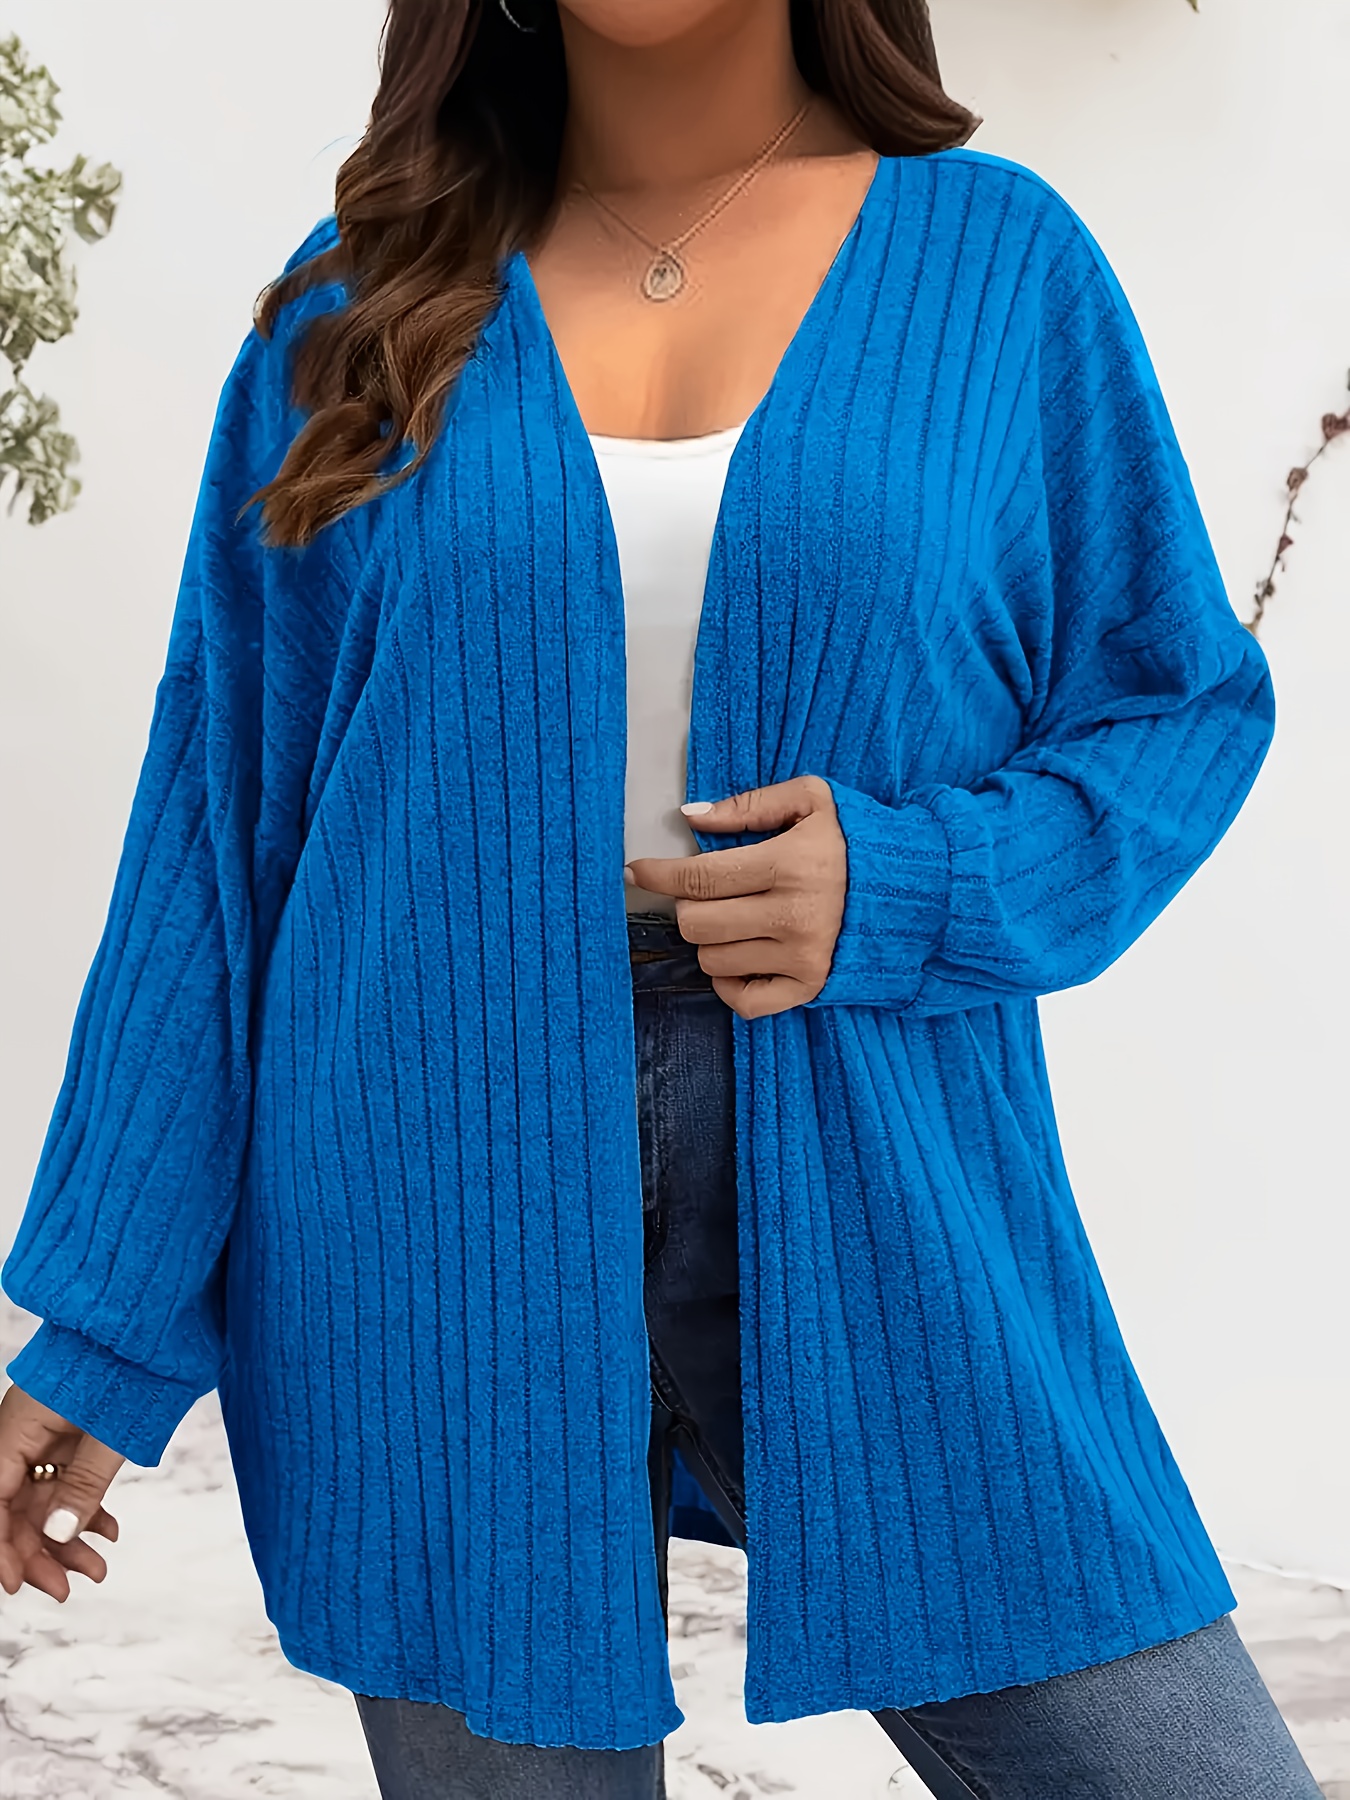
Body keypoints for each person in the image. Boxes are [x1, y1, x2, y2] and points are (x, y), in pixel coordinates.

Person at [0, 1, 1324, 1796]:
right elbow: (218, 834)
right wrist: (103, 1327)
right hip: (418, 1212)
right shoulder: (362, 299)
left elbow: (1171, 708)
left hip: (882, 1167)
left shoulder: (1000, 262)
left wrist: (909, 882)